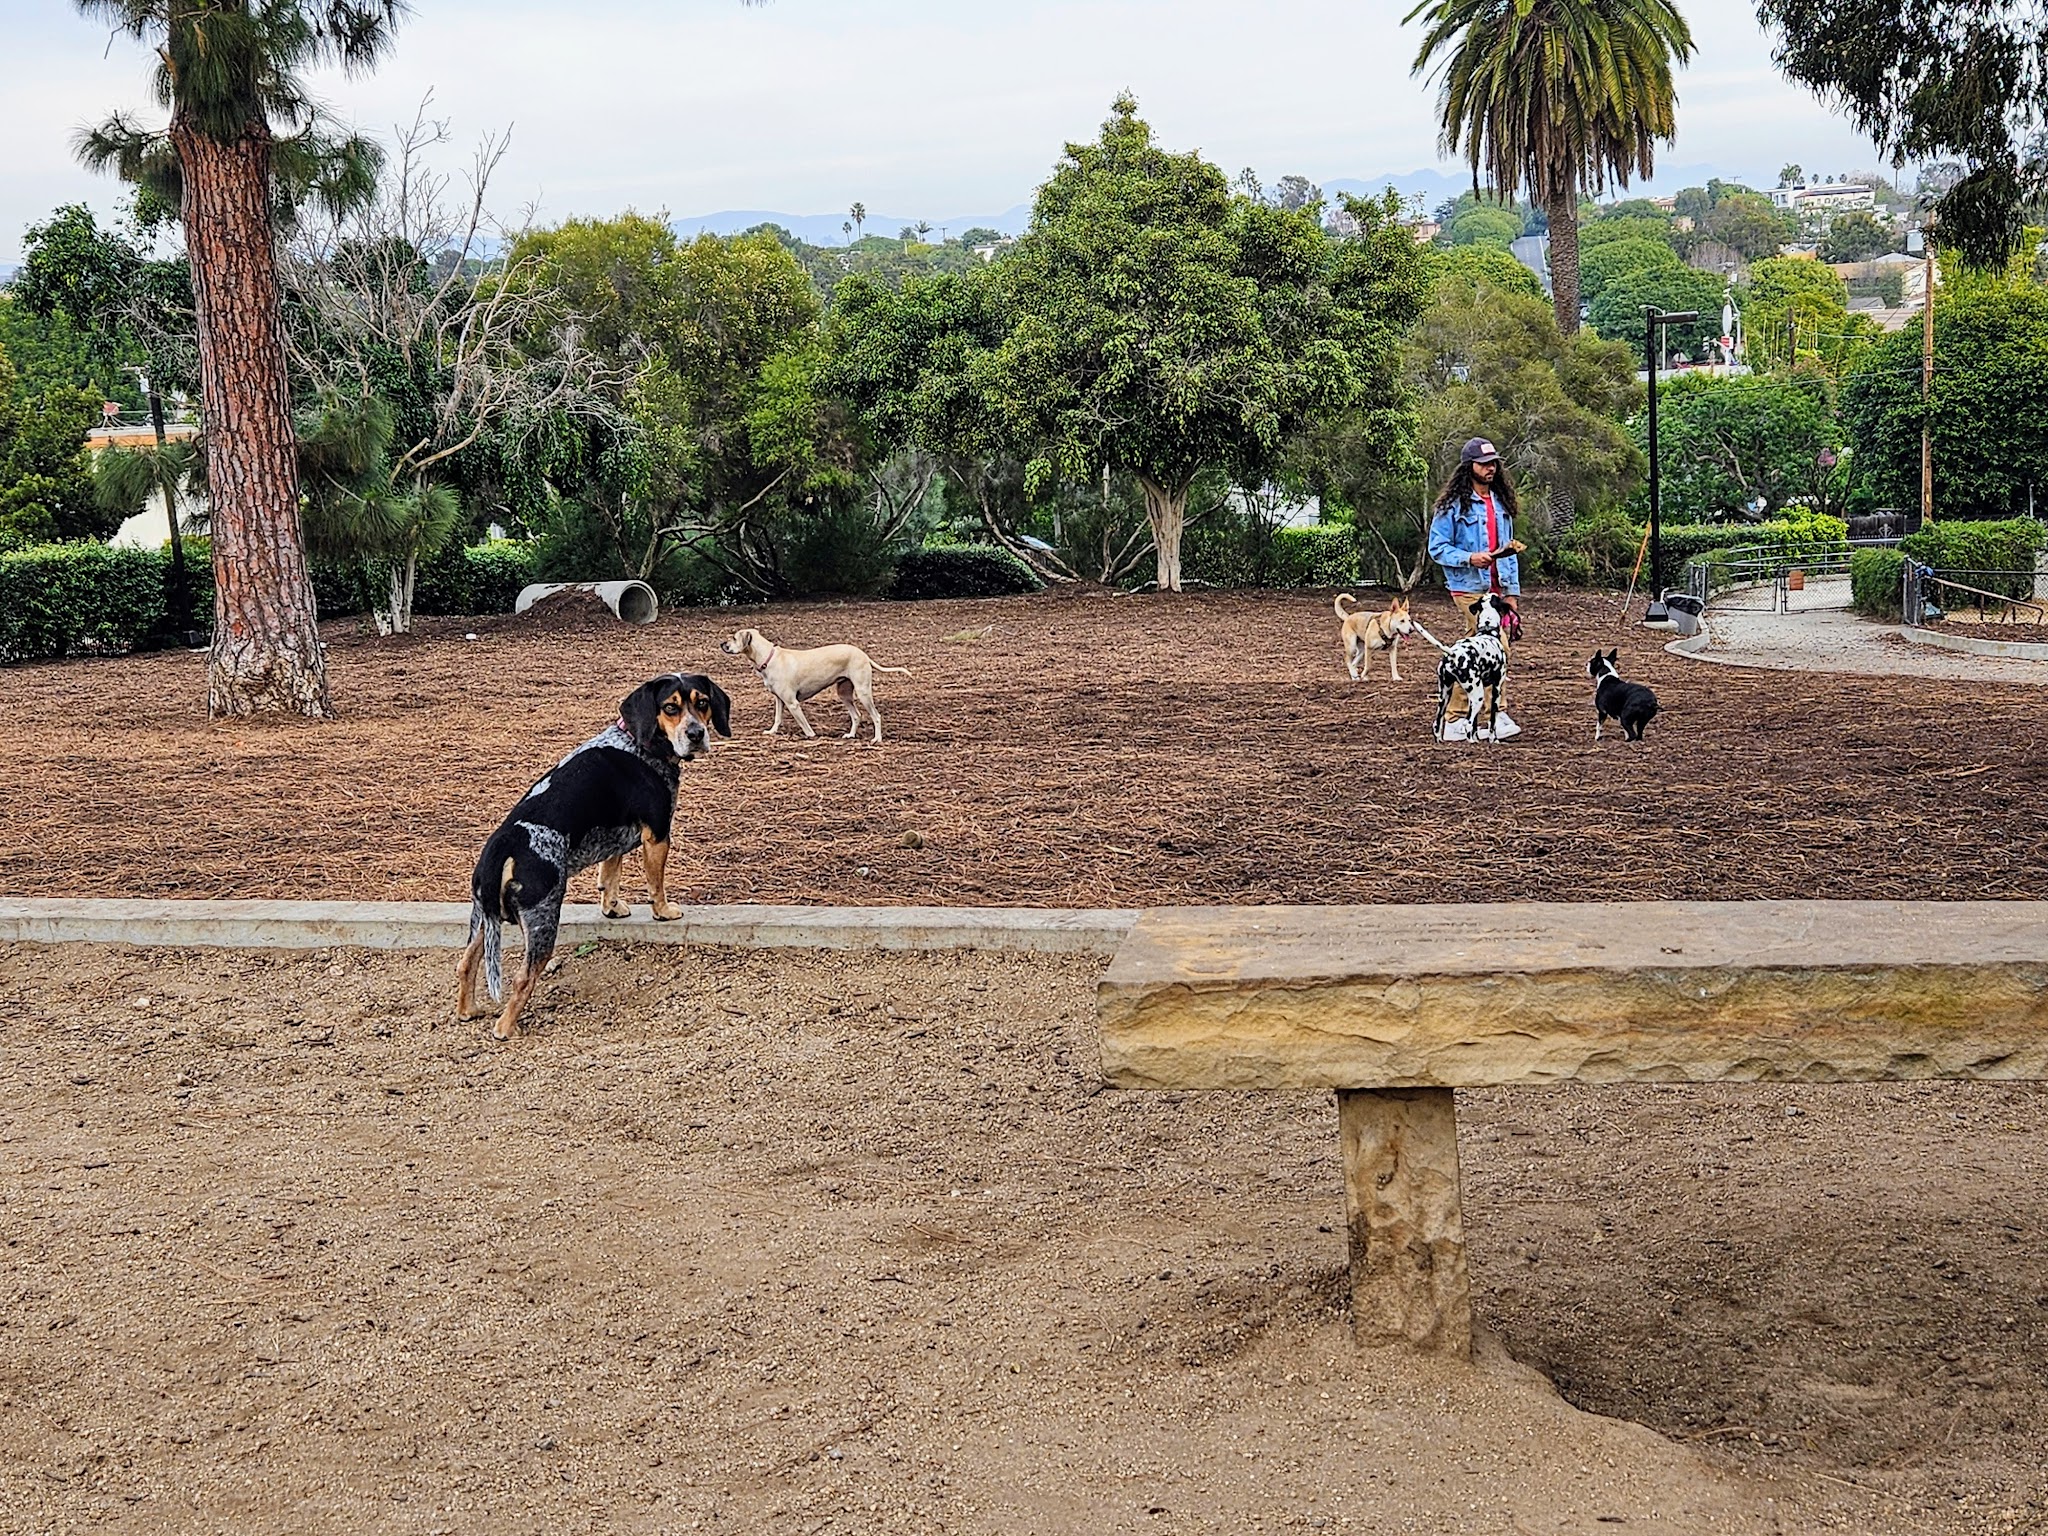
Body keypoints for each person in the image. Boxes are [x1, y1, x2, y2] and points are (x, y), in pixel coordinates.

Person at [1427, 437, 1522, 741]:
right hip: (1468, 587)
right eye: (1484, 464)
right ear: (1470, 467)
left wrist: (1511, 594)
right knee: (1497, 647)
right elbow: (1437, 547)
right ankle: (1491, 713)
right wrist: (1469, 558)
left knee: (1474, 648)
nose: (1490, 468)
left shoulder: (1500, 503)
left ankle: (1458, 718)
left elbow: (1509, 551)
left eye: (1493, 463)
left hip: (1496, 589)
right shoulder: (1452, 506)